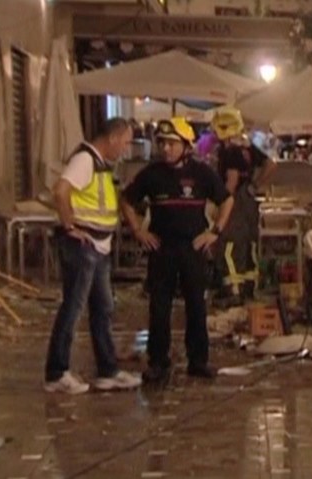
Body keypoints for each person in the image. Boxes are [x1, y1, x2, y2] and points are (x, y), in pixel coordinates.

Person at [122, 117, 234, 384]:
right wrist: (139, 231)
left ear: (186, 145)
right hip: (162, 249)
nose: (166, 149)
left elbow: (226, 200)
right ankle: (158, 362)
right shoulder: (152, 173)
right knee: (159, 307)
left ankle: (198, 361)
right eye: (162, 143)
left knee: (197, 305)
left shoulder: (202, 173)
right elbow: (126, 200)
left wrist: (214, 232)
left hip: (192, 248)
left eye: (172, 144)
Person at [45, 117, 142, 394]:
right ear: (112, 138)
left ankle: (108, 370)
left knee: (103, 308)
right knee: (73, 308)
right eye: (124, 143)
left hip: (99, 245)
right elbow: (61, 192)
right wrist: (69, 226)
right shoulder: (85, 159)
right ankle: (56, 372)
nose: (124, 149)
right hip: (83, 246)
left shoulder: (101, 163)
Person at [210, 106, 276, 307]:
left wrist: (220, 204)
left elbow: (231, 180)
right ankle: (249, 289)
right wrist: (255, 186)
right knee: (249, 245)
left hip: (235, 202)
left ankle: (233, 291)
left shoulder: (229, 152)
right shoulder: (248, 148)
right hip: (249, 200)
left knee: (228, 245)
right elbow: (272, 164)